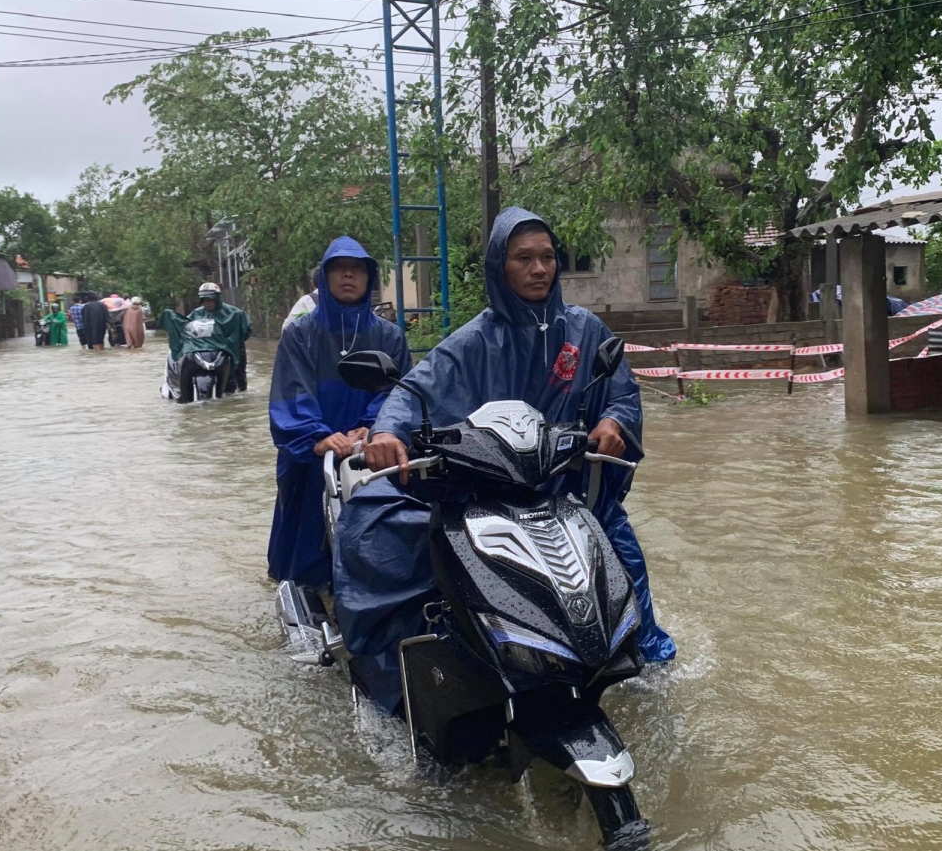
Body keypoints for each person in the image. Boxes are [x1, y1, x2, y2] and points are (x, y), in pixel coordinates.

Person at [335, 207, 676, 714]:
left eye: (548, 257)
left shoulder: (584, 331)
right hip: (485, 493)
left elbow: (620, 394)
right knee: (380, 536)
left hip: (567, 490)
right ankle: (415, 679)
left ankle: (647, 668)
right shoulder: (474, 340)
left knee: (624, 564)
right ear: (500, 266)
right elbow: (415, 392)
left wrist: (615, 424)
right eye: (524, 258)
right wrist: (387, 432)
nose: (540, 269)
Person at [268, 237, 411, 589]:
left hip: (371, 451)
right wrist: (317, 436)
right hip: (311, 455)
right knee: (304, 544)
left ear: (369, 277)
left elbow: (399, 391)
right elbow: (291, 390)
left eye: (358, 268)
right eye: (339, 268)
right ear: (325, 276)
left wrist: (374, 428)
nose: (348, 275)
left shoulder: (390, 336)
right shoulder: (299, 334)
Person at [159, 282, 251, 403]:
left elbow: (246, 331)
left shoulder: (235, 313)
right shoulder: (197, 313)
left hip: (229, 348)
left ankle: (238, 397)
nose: (208, 303)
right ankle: (183, 395)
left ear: (217, 298)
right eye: (204, 300)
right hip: (204, 349)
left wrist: (231, 340)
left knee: (238, 373)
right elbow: (187, 328)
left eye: (210, 299)